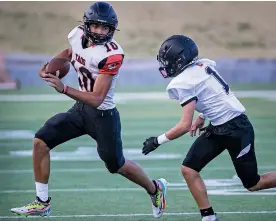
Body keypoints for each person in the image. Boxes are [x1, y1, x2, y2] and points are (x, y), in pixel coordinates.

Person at [10, 2, 167, 218]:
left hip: (103, 116)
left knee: (116, 165)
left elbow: (97, 98)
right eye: (96, 26)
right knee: (40, 141)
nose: (101, 32)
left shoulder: (112, 54)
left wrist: (63, 87)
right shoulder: (76, 35)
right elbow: (69, 52)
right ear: (86, 25)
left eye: (106, 28)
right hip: (80, 110)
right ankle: (42, 202)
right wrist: (50, 66)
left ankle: (155, 188)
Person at [142, 35, 276, 221]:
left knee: (253, 183)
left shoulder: (183, 81)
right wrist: (203, 116)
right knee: (189, 169)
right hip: (218, 127)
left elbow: (184, 125)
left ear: (180, 60)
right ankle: (208, 217)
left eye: (168, 61)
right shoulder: (201, 66)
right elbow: (213, 94)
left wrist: (157, 141)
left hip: (237, 129)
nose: (166, 65)